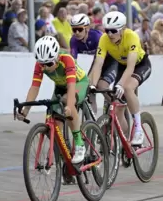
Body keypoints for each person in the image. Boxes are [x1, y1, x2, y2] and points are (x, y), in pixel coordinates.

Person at [15, 36, 89, 164]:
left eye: (49, 64)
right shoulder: (41, 64)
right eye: (43, 64)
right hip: (60, 87)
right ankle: (63, 157)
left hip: (79, 83)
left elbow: (71, 86)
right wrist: (25, 110)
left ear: (56, 57)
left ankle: (79, 143)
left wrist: (69, 106)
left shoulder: (67, 59)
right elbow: (34, 87)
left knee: (67, 102)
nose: (46, 67)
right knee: (55, 121)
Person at [89, 11, 152, 146]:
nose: (110, 34)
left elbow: (131, 67)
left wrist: (121, 84)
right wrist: (93, 85)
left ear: (122, 29)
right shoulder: (104, 39)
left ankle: (139, 129)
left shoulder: (132, 36)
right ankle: (125, 144)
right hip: (122, 68)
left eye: (113, 31)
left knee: (128, 88)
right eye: (107, 31)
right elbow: (98, 64)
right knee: (117, 109)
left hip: (140, 65)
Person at [69, 13, 118, 112]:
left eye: (80, 29)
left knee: (101, 86)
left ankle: (117, 108)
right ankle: (93, 121)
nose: (77, 32)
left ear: (87, 28)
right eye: (74, 30)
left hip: (112, 60)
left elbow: (98, 62)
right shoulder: (74, 41)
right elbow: (72, 62)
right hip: (98, 61)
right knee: (89, 89)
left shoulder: (97, 37)